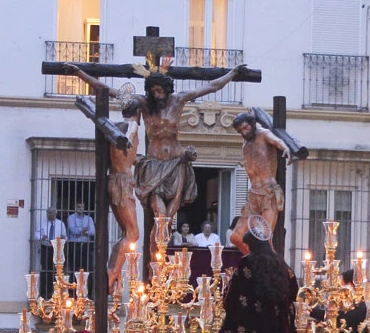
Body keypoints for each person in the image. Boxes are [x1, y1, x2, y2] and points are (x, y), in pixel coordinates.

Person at [64, 62, 247, 235]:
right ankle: (156, 258)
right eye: (153, 91)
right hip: (154, 165)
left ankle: (159, 260)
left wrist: (232, 73)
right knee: (159, 214)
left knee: (168, 219)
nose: (156, 94)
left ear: (167, 89)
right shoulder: (144, 104)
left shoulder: (179, 100)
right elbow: (108, 90)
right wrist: (79, 73)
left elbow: (211, 87)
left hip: (177, 163)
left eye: (159, 90)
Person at [211, 229, 302, 333]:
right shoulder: (281, 263)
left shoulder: (246, 262)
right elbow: (293, 290)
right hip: (277, 323)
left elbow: (233, 292)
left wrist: (227, 303)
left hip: (250, 320)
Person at [228, 112, 292, 255]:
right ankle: (256, 260)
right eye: (240, 131)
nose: (243, 132)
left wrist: (286, 149)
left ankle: (271, 266)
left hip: (269, 192)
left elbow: (277, 141)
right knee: (236, 237)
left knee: (264, 238)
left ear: (252, 124)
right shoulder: (245, 144)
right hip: (253, 195)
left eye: (245, 128)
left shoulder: (263, 134)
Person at [107, 103, 141, 292]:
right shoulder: (131, 125)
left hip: (115, 179)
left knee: (126, 232)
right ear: (138, 113)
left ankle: (114, 269)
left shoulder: (113, 125)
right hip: (123, 182)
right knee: (133, 233)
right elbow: (130, 133)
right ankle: (113, 271)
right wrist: (128, 139)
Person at [34, 207, 67, 297]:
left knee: (55, 270)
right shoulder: (42, 223)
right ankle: (45, 293)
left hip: (56, 249)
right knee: (45, 269)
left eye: (52, 213)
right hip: (45, 247)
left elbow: (65, 236)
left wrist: (63, 238)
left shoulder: (60, 224)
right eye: (48, 213)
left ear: (55, 213)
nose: (50, 215)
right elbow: (36, 234)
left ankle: (54, 292)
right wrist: (41, 237)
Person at [66, 202, 96, 277]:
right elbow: (73, 231)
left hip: (86, 245)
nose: (80, 209)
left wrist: (79, 231)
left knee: (87, 267)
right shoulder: (71, 218)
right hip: (74, 244)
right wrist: (85, 230)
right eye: (78, 207)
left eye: (82, 207)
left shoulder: (89, 218)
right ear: (75, 208)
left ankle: (87, 287)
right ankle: (73, 287)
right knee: (74, 267)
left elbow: (93, 232)